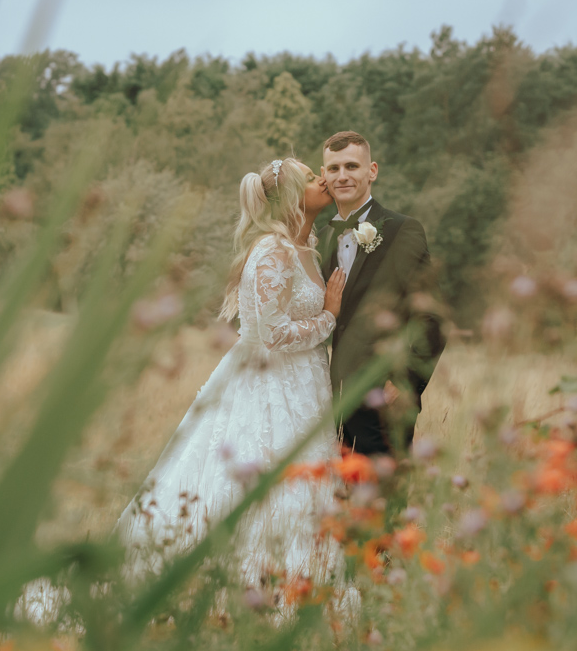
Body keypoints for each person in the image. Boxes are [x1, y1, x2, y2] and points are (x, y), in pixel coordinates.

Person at [115, 157, 346, 590]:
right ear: (295, 195)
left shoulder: (305, 242)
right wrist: (329, 316)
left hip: (304, 384)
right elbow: (272, 335)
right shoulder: (273, 251)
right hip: (268, 385)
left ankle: (302, 578)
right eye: (313, 177)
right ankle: (241, 581)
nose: (323, 180)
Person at [319, 131, 445, 457]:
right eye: (333, 168)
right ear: (324, 175)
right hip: (334, 398)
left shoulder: (403, 231)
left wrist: (405, 384)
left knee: (385, 497)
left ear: (371, 171)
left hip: (385, 398)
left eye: (351, 166)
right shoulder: (320, 238)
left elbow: (432, 316)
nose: (342, 176)